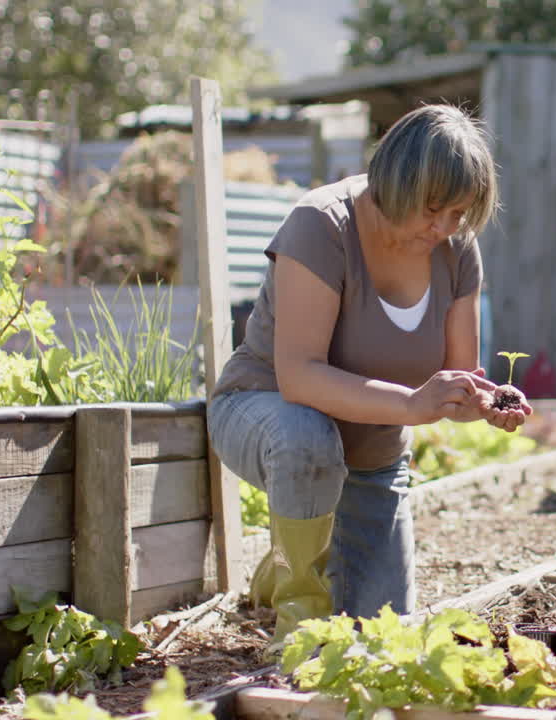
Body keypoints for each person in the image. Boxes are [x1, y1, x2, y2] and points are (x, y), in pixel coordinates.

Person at [207, 104, 532, 645]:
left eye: (458, 213)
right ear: (396, 184)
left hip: (371, 456)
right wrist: (409, 405)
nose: (444, 227)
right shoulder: (321, 225)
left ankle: (288, 557)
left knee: (385, 634)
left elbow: (455, 380)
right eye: (433, 209)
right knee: (307, 436)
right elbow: (299, 377)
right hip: (263, 412)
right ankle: (298, 629)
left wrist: (483, 400)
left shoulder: (456, 250)